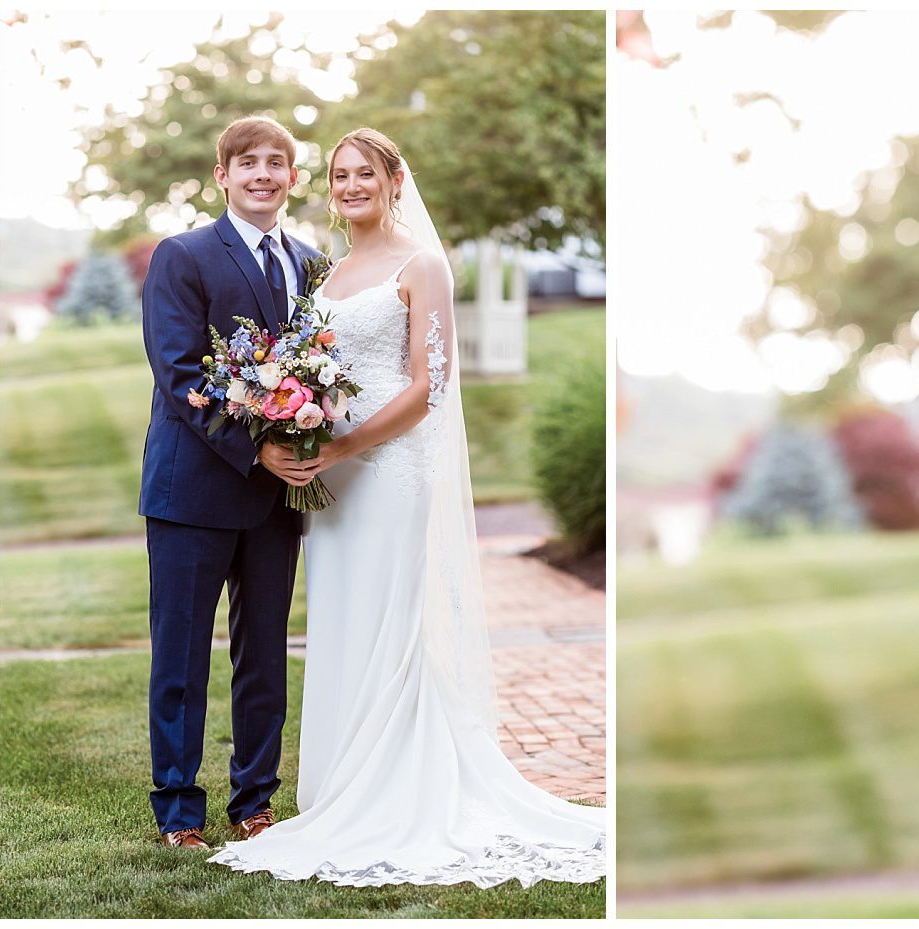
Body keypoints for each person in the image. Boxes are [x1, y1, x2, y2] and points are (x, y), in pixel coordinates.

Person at [205, 128, 607, 887]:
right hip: (330, 478)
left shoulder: (422, 266)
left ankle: (395, 791)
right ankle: (340, 790)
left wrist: (345, 446)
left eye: (366, 173)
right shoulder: (326, 276)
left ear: (395, 181)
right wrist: (296, 420)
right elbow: (311, 366)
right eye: (340, 175)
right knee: (342, 619)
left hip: (388, 469)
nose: (351, 185)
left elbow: (429, 388)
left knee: (390, 620)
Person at [140, 115, 325, 850]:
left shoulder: (310, 265)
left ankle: (255, 800)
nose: (263, 175)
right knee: (181, 655)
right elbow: (181, 374)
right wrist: (258, 453)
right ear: (223, 176)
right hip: (194, 491)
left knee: (265, 654)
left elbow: (320, 367)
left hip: (278, 502)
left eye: (276, 163)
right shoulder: (183, 256)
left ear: (290, 178)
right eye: (248, 163)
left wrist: (306, 443)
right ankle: (179, 810)